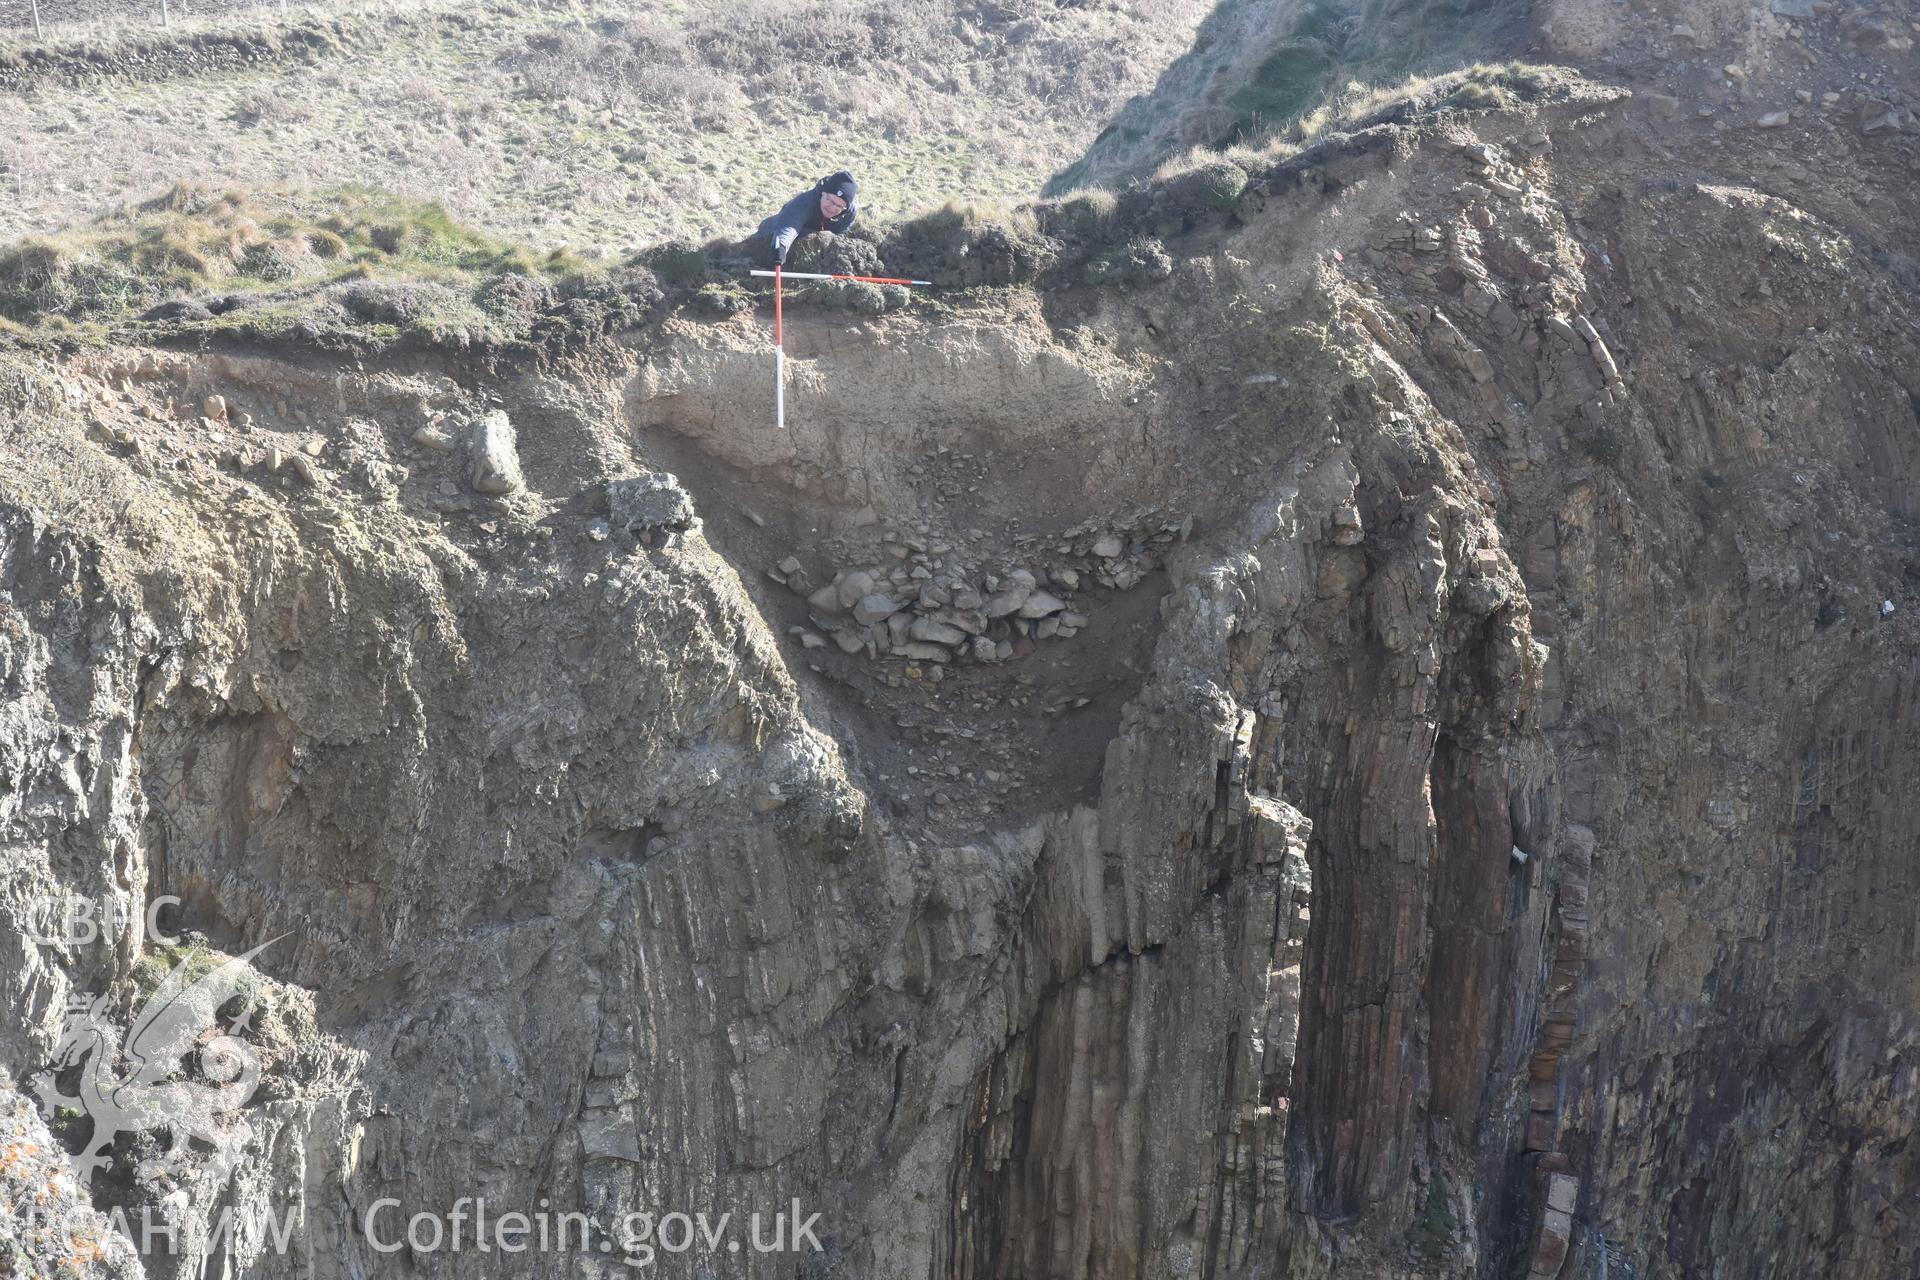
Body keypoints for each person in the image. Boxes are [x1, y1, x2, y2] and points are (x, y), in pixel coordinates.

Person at [755, 171, 857, 268]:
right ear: (823, 193)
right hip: (774, 232)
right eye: (830, 200)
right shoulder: (804, 203)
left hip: (812, 245)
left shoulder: (848, 213)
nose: (832, 208)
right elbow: (789, 225)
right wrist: (780, 248)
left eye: (839, 206)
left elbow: (840, 236)